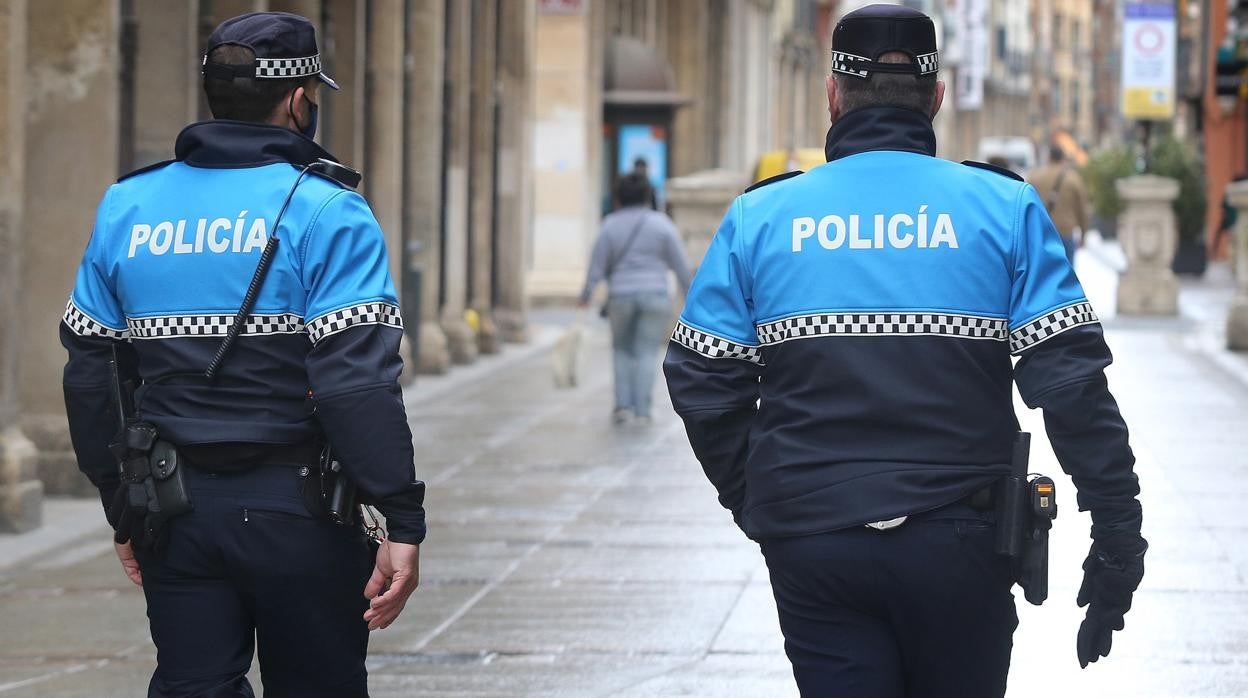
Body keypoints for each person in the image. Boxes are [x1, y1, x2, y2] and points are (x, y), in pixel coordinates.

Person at [663, 5, 1146, 697]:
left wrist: (763, 495)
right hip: (963, 541)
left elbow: (701, 376)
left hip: (814, 540)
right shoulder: (1004, 209)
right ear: (937, 98)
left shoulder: (759, 218)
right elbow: (1072, 387)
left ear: (833, 95)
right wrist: (1119, 536)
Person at [60, 12, 426, 697]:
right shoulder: (329, 210)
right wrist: (402, 516)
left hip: (173, 511)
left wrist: (122, 507)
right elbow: (356, 385)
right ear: (296, 100)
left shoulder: (127, 206)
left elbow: (90, 375)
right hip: (302, 514)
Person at [580, 173, 691, 425]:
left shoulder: (609, 225)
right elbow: (681, 265)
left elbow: (596, 266)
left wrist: (586, 294)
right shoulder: (662, 224)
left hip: (620, 295)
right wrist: (690, 294)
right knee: (646, 351)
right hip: (655, 295)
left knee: (621, 350)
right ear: (647, 196)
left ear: (617, 198)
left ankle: (622, 406)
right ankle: (643, 409)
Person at [1029, 145, 1091, 265]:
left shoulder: (1034, 177)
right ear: (1063, 159)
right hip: (1065, 232)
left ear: (1049, 158)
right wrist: (1083, 235)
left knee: (1043, 275)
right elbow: (1082, 210)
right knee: (1067, 276)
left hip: (1041, 233)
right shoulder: (1073, 179)